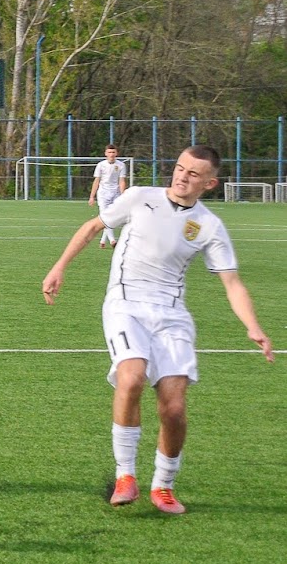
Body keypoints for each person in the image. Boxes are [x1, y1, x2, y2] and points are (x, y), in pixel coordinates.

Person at [42, 144, 274, 515]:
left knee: (174, 407)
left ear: (209, 183)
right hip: (125, 304)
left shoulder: (209, 226)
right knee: (131, 377)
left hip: (171, 315)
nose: (183, 176)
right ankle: (125, 476)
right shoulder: (139, 197)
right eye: (181, 168)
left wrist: (253, 327)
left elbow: (232, 282)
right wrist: (58, 268)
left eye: (194, 174)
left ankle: (163, 485)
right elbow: (92, 227)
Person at [88, 144, 128, 248]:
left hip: (115, 194)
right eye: (109, 152)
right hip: (103, 194)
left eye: (113, 152)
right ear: (105, 153)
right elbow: (97, 181)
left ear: (116, 153)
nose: (111, 154)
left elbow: (122, 181)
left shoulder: (121, 165)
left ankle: (103, 240)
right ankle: (112, 241)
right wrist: (92, 196)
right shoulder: (101, 165)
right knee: (105, 217)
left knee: (112, 217)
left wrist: (123, 195)